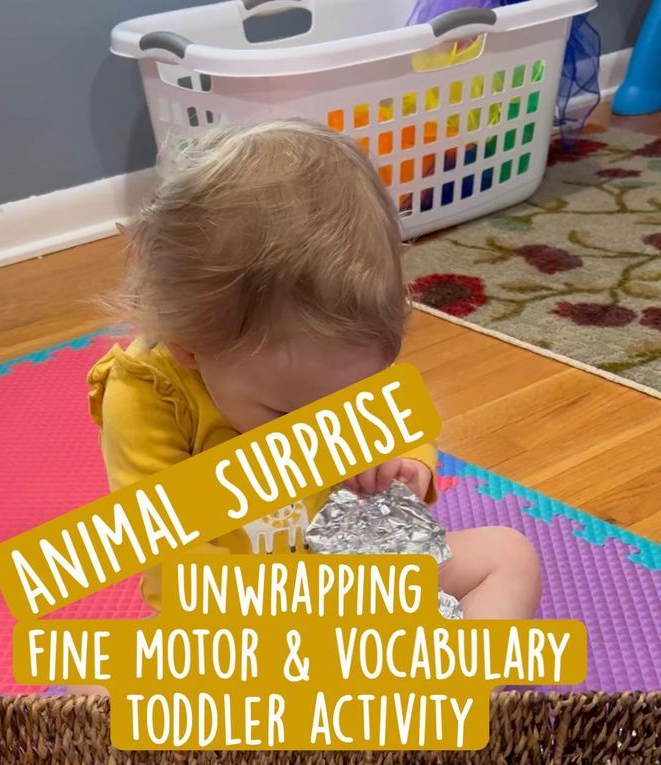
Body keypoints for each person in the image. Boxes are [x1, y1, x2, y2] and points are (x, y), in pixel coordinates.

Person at [88, 120, 541, 619]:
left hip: (351, 575)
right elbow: (170, 563)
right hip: (234, 612)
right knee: (99, 683)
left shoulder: (337, 361)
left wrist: (410, 465)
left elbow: (399, 426)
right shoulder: (146, 395)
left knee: (507, 555)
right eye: (286, 412)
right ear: (190, 347)